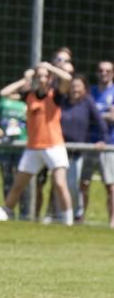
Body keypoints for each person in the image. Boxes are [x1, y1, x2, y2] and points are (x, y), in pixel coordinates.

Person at [0, 62, 74, 225]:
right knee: (18, 185)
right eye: (39, 76)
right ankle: (7, 212)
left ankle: (68, 220)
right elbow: (4, 93)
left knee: (59, 183)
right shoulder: (29, 95)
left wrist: (50, 67)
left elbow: (67, 78)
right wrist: (25, 79)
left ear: (50, 78)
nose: (42, 79)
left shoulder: (55, 95)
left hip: (54, 146)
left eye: (45, 76)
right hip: (33, 147)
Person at [55, 73, 107, 221]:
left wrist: (103, 139)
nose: (75, 89)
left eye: (78, 86)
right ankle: (59, 214)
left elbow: (100, 122)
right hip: (59, 149)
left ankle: (76, 213)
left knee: (72, 184)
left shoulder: (87, 102)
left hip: (77, 152)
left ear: (84, 88)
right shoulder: (62, 101)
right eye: (72, 86)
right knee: (58, 184)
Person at [0, 90, 30, 219]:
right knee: (7, 182)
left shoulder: (32, 99)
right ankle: (8, 212)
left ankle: (25, 215)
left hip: (23, 147)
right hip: (5, 147)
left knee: (23, 183)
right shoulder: (5, 100)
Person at [82, 60, 114, 228]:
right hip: (89, 143)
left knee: (110, 186)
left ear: (113, 73)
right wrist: (104, 114)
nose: (103, 73)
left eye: (107, 71)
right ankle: (81, 218)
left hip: (109, 144)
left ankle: (112, 222)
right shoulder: (90, 92)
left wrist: (95, 115)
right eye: (101, 70)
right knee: (84, 184)